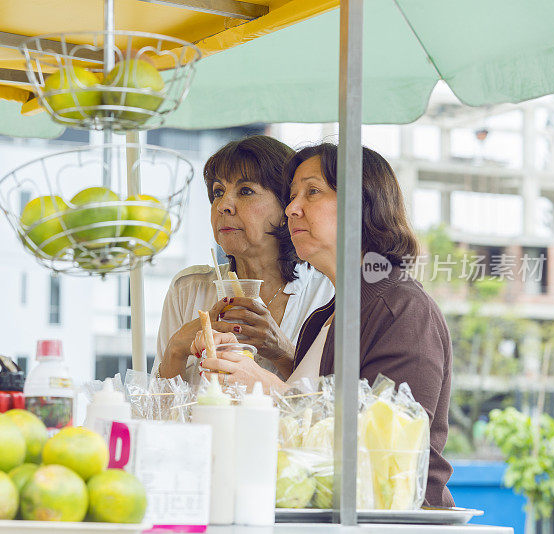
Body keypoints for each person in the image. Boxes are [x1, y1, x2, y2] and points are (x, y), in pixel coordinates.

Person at [194, 142, 454, 507]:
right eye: (291, 195)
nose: (291, 208)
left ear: (362, 204)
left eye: (312, 192)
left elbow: (392, 454)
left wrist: (270, 391)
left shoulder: (402, 309)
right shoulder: (324, 319)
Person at [153, 135, 334, 385]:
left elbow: (331, 408)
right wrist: (176, 349)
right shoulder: (187, 289)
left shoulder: (327, 293)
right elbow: (158, 413)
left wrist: (281, 350)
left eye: (245, 191)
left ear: (287, 208)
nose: (223, 206)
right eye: (218, 192)